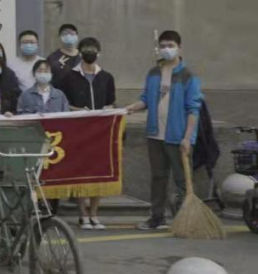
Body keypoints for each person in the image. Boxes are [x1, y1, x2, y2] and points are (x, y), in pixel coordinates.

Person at [124, 31, 202, 231]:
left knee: (182, 180)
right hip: (155, 135)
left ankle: (187, 220)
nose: (166, 49)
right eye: (163, 45)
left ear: (179, 47)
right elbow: (146, 99)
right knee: (158, 177)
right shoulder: (153, 73)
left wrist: (187, 138)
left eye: (170, 45)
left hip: (178, 137)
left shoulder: (188, 76)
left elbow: (194, 109)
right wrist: (133, 107)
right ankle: (157, 217)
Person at [60, 37, 117, 230]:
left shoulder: (107, 77)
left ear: (99, 52)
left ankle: (94, 214)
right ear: (80, 52)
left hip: (101, 132)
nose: (90, 52)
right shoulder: (69, 77)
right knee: (82, 171)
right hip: (79, 130)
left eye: (93, 49)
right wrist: (78, 110)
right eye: (86, 49)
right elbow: (63, 103)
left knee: (98, 172)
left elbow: (111, 103)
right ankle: (83, 214)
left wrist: (107, 111)